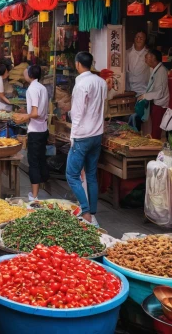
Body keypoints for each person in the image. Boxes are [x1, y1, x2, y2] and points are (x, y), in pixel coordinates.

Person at [66, 52, 107, 226]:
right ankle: (93, 213)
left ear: (77, 64)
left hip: (82, 134)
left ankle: (86, 212)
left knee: (72, 175)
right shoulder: (101, 82)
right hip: (97, 134)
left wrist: (72, 135)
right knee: (91, 175)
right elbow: (103, 106)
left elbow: (77, 112)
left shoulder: (82, 84)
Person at [14, 66, 49, 201]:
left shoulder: (32, 89)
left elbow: (35, 113)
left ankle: (34, 196)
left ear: (29, 74)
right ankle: (42, 187)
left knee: (33, 162)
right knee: (40, 159)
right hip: (43, 129)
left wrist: (24, 117)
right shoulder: (42, 87)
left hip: (35, 131)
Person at [137, 49, 169, 139]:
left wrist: (144, 96)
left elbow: (159, 92)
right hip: (157, 104)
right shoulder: (156, 70)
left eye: (146, 57)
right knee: (154, 130)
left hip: (161, 105)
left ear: (153, 58)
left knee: (156, 132)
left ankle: (155, 150)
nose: (145, 60)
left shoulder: (161, 71)